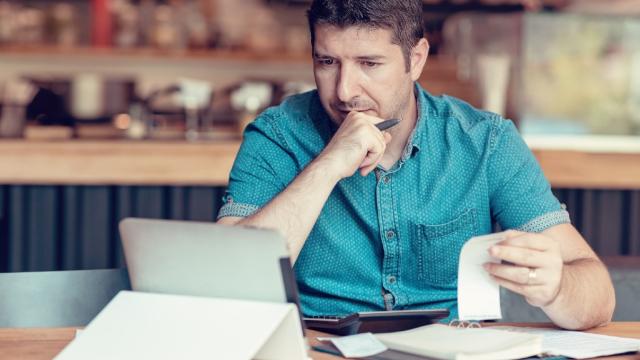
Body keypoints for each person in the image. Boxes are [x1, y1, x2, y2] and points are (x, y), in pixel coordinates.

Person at [217, 0, 614, 330]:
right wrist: (327, 165)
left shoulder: (485, 142)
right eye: (327, 62)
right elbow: (228, 281)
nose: (344, 91)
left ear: (416, 59)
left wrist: (558, 288)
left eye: (370, 64)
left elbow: (599, 297)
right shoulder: (277, 135)